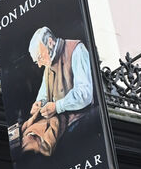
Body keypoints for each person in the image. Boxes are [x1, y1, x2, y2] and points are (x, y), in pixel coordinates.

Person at [21, 25, 94, 156]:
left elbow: (85, 94)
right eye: (37, 61)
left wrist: (57, 106)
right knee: (28, 137)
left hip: (78, 117)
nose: (39, 65)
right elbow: (43, 94)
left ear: (50, 42)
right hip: (57, 118)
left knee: (38, 145)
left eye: (40, 57)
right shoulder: (48, 63)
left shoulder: (77, 49)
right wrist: (39, 103)